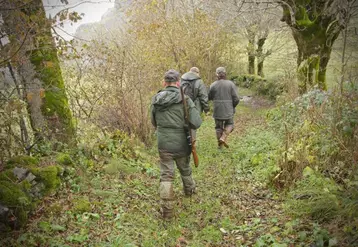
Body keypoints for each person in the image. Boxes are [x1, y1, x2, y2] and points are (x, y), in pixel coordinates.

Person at [150, 69, 202, 219]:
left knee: (166, 175)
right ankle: (190, 190)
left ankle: (167, 211)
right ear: (178, 82)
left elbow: (153, 122)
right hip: (181, 142)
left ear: (164, 83)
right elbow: (197, 122)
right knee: (184, 168)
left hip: (163, 142)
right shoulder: (185, 99)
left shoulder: (156, 100)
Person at [208, 67, 239, 149]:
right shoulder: (231, 84)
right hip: (228, 109)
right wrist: (232, 106)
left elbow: (209, 97)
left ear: (217, 75)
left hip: (217, 109)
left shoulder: (213, 85)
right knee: (230, 124)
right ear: (225, 74)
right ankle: (223, 137)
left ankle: (220, 146)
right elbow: (236, 99)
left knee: (218, 128)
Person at [180, 67, 209, 142]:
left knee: (183, 122)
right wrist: (206, 109)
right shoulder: (199, 81)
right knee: (193, 123)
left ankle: (184, 141)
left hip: (182, 104)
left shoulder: (181, 80)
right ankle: (192, 141)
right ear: (197, 73)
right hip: (195, 106)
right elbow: (203, 96)